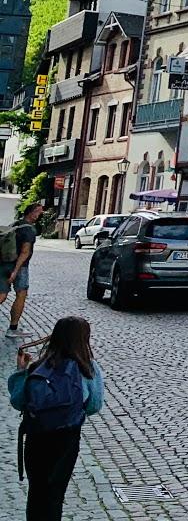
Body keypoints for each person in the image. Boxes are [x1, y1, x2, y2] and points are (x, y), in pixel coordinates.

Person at [8, 316, 105, 521]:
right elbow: (94, 405)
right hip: (66, 439)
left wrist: (20, 371)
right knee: (55, 494)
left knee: (37, 493)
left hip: (37, 438)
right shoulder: (87, 368)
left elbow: (18, 401)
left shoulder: (38, 368)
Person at [0, 204, 44, 339]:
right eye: (39, 212)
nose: (40, 215)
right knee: (21, 294)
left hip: (2, 263)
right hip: (19, 267)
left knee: (1, 295)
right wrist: (15, 271)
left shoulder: (15, 224)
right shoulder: (29, 230)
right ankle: (13, 328)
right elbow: (25, 252)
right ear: (33, 213)